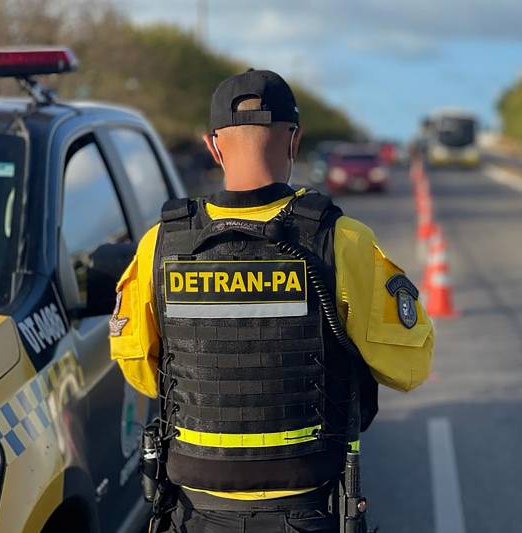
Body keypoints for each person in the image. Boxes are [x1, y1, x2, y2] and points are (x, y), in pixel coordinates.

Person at [109, 69, 434, 532]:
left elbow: (141, 371)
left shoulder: (159, 244)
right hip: (306, 507)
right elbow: (409, 368)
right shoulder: (342, 240)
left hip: (196, 510)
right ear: (294, 140)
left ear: (213, 146)